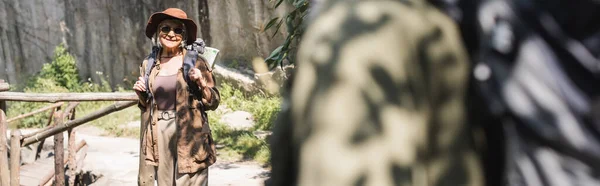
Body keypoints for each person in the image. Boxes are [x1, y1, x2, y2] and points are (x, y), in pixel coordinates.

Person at [133, 8, 220, 186]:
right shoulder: (148, 64)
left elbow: (214, 101)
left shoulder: (196, 62)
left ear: (184, 35)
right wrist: (141, 93)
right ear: (158, 33)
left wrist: (202, 83)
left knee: (190, 179)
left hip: (190, 131)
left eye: (177, 30)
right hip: (159, 131)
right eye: (165, 29)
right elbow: (146, 105)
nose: (171, 34)